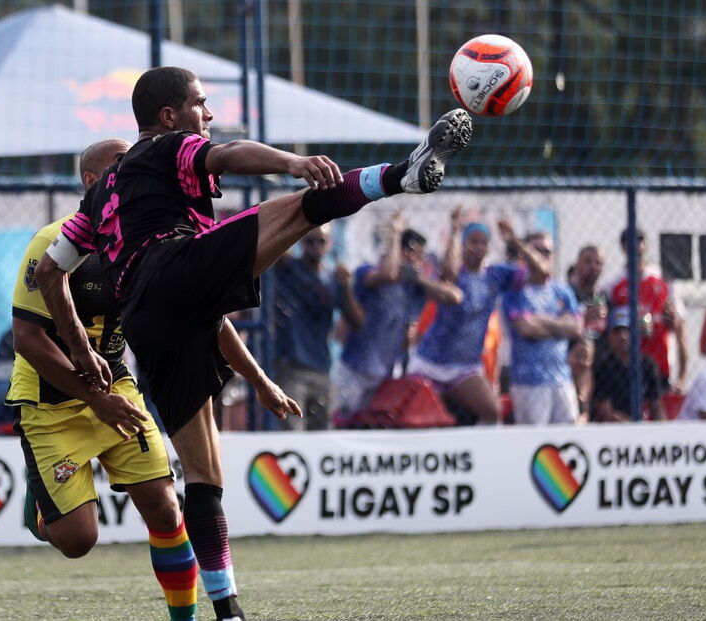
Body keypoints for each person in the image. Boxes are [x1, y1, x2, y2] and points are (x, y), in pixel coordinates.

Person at [34, 66, 472, 621]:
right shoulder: (164, 147)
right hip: (174, 267)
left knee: (203, 476)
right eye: (200, 102)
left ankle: (229, 611)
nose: (208, 113)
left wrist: (81, 347)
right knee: (303, 204)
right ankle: (400, 175)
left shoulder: (95, 201)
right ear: (169, 116)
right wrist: (292, 162)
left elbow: (50, 273)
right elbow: (227, 154)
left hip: (149, 323)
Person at [9, 138, 198, 621]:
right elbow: (26, 338)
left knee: (166, 510)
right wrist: (94, 400)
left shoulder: (141, 239)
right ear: (94, 182)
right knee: (78, 540)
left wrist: (254, 376)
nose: (135, 170)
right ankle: (42, 505)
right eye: (122, 164)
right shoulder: (50, 242)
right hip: (50, 400)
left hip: (115, 386)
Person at [408, 210, 545, 425]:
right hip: (430, 362)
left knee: (492, 411)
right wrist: (454, 231)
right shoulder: (455, 272)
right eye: (472, 241)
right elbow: (447, 274)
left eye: (483, 242)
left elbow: (541, 273)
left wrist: (514, 241)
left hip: (465, 367)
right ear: (463, 244)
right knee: (421, 418)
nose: (478, 247)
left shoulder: (495, 275)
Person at [333, 212, 464, 420]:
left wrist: (419, 278)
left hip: (387, 373)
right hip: (356, 369)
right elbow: (389, 274)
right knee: (345, 421)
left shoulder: (414, 285)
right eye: (415, 254)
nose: (419, 261)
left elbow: (454, 297)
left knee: (376, 424)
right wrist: (396, 232)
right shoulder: (368, 272)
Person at [272, 224, 364, 430]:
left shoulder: (333, 279)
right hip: (292, 366)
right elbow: (277, 247)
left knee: (321, 434)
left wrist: (346, 288)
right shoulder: (289, 269)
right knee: (292, 430)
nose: (315, 246)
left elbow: (357, 322)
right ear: (301, 243)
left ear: (329, 244)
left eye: (321, 241)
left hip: (321, 366)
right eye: (310, 241)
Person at [502, 232, 583, 425]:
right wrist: (560, 324)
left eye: (547, 251)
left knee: (569, 433)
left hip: (562, 379)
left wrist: (541, 320)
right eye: (536, 251)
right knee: (535, 439)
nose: (542, 256)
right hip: (529, 381)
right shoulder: (515, 292)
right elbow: (526, 329)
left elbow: (576, 328)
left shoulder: (562, 291)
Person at [606, 227, 688, 391]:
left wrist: (682, 376)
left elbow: (680, 326)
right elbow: (605, 324)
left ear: (646, 244)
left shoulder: (663, 279)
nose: (635, 246)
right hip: (627, 369)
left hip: (662, 365)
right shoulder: (613, 284)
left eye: (639, 240)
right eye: (629, 242)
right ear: (623, 247)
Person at [591, 306, 664, 422]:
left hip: (639, 425)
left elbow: (656, 405)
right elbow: (605, 411)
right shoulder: (602, 366)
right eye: (617, 331)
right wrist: (633, 426)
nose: (623, 336)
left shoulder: (647, 365)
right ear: (609, 336)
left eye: (628, 330)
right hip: (612, 427)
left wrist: (662, 429)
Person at [568, 245, 608, 340]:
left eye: (598, 263)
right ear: (577, 265)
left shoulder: (604, 298)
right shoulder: (566, 295)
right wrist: (586, 317)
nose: (593, 267)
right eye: (587, 261)